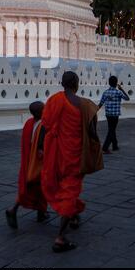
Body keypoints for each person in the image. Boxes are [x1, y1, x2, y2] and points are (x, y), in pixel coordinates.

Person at [41, 71, 103, 253]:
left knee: (65, 187)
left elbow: (45, 124)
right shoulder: (84, 105)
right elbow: (92, 131)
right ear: (77, 83)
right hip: (75, 155)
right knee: (70, 189)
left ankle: (74, 215)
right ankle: (60, 237)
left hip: (56, 153)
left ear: (62, 84)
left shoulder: (54, 100)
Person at [6, 101, 49, 229]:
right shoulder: (43, 125)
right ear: (41, 112)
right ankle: (13, 209)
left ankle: (41, 213)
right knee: (38, 187)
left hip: (29, 162)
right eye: (44, 108)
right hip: (38, 164)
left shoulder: (29, 123)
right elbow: (42, 147)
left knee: (37, 189)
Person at [98, 75, 130, 154]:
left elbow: (101, 103)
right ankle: (105, 148)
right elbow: (127, 98)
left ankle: (115, 146)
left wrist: (94, 110)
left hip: (108, 114)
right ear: (116, 83)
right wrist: (121, 89)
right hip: (115, 115)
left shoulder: (106, 92)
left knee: (111, 129)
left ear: (109, 83)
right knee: (112, 130)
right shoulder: (118, 92)